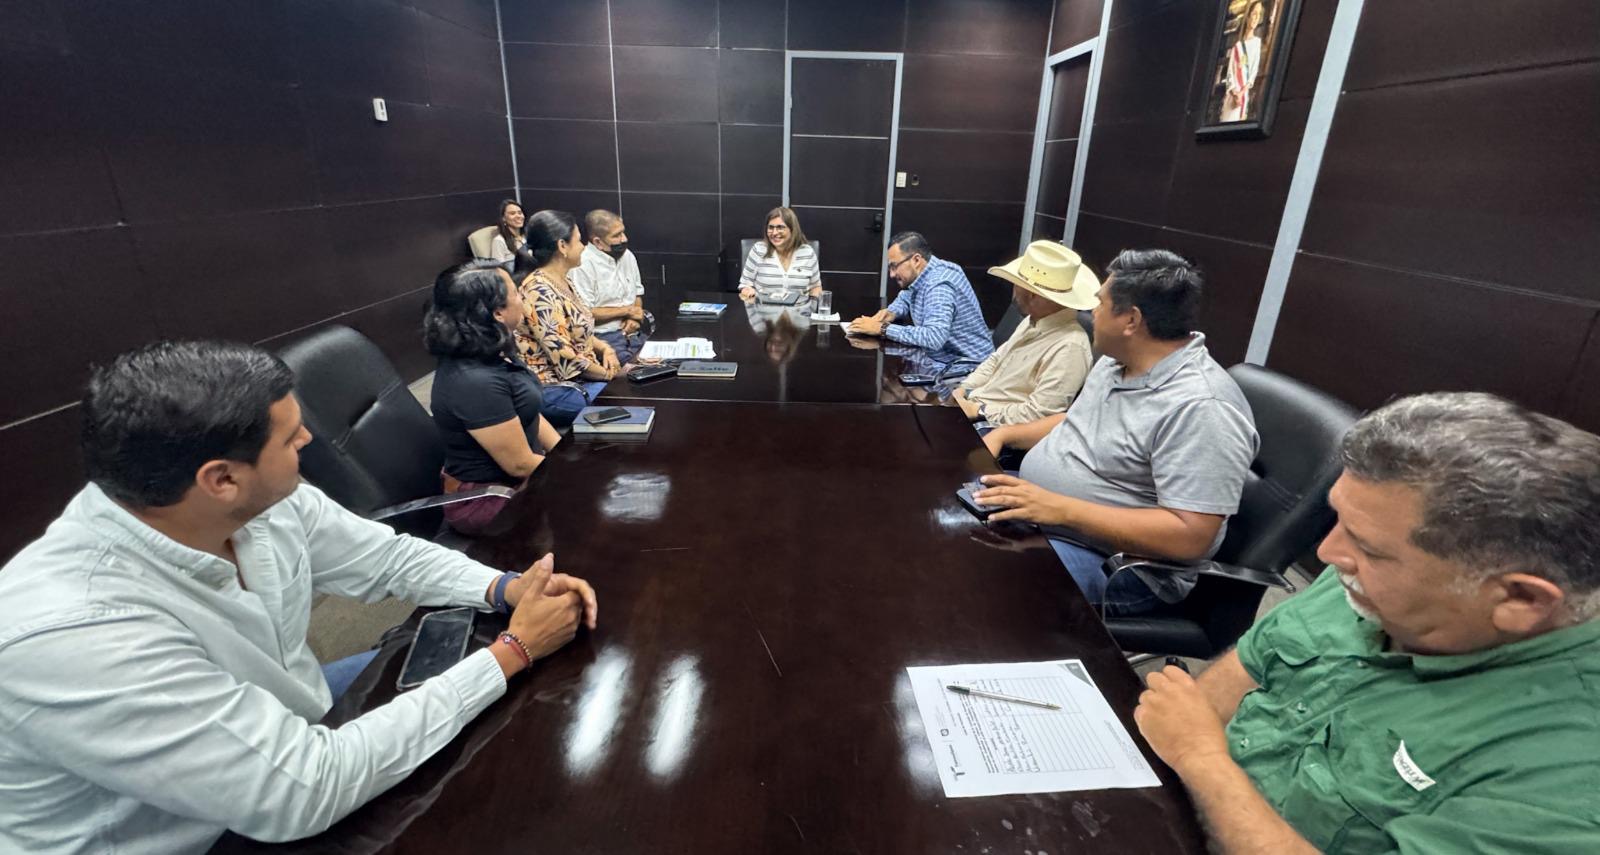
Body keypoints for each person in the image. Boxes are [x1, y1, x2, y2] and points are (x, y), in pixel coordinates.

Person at [0, 341, 599, 853]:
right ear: (221, 478)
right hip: (202, 835)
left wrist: (505, 587)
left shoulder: (251, 502)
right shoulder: (75, 636)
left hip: (292, 721)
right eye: (291, 438)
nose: (311, 439)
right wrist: (513, 651)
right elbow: (303, 790)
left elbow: (387, 557)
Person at [1133, 392, 1600, 853]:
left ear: (1519, 599)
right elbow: (1246, 669)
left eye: (1369, 548)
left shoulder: (1562, 780)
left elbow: (1193, 739)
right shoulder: (1371, 580)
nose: (1328, 553)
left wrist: (1201, 758)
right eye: (1338, 521)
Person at [974, 249, 1257, 615]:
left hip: (1117, 564)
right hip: (1050, 517)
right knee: (944, 516)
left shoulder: (1202, 407)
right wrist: (1006, 434)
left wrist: (1059, 508)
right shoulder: (1116, 360)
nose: (1092, 312)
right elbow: (1074, 422)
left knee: (979, 577)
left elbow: (1190, 536)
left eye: (1100, 303)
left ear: (1131, 320)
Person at [426, 263, 563, 535]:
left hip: (518, 480)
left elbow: (529, 413)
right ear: (497, 312)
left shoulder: (492, 348)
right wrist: (575, 475)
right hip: (486, 499)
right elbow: (519, 464)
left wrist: (565, 454)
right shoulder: (474, 382)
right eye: (516, 293)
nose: (522, 298)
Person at [953, 240, 1098, 427]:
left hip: (993, 429)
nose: (1013, 290)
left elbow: (1039, 414)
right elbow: (996, 360)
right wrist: (964, 388)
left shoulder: (1070, 347)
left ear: (1032, 295)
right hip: (975, 408)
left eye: (1016, 284)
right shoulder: (1032, 320)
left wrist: (979, 411)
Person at [512, 209, 622, 429]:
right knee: (625, 400)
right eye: (579, 241)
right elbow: (567, 358)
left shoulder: (562, 280)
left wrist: (605, 348)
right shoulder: (539, 292)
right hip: (555, 389)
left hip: (580, 379)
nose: (583, 247)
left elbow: (578, 329)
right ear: (562, 246)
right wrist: (610, 375)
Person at [848, 231, 994, 372]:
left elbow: (933, 337)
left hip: (968, 369)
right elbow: (907, 295)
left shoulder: (939, 286)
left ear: (916, 260)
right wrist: (892, 312)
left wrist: (882, 329)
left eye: (894, 266)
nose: (892, 274)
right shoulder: (930, 270)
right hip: (945, 360)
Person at [570, 209, 649, 364]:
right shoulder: (582, 264)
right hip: (603, 338)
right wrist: (628, 311)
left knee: (667, 361)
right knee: (638, 370)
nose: (624, 239)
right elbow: (585, 313)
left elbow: (637, 293)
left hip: (633, 331)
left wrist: (634, 318)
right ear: (598, 242)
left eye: (623, 232)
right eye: (617, 236)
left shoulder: (627, 256)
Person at [738, 207, 821, 303]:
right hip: (764, 310)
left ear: (792, 229)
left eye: (780, 227)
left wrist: (812, 306)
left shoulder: (808, 253)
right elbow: (745, 285)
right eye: (770, 227)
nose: (774, 233)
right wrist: (747, 291)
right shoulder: (758, 250)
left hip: (799, 310)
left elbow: (816, 287)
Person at [1218, 0, 1267, 123]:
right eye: (1254, 13)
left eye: (1259, 14)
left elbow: (1253, 73)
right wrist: (1233, 92)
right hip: (1232, 95)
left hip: (1242, 96)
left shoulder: (1256, 43)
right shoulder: (1237, 46)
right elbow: (1230, 72)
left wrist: (1240, 94)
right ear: (1248, 16)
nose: (1256, 18)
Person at [489, 198, 526, 262]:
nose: (518, 216)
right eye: (512, 213)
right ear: (503, 218)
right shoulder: (499, 241)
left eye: (520, 213)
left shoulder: (527, 237)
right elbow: (499, 267)